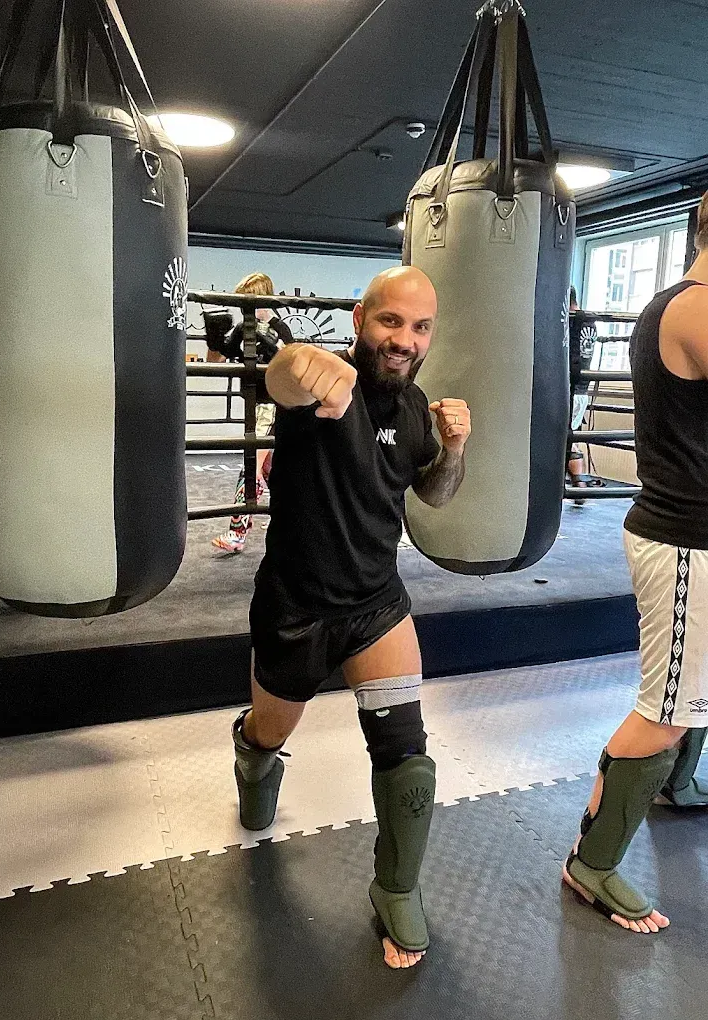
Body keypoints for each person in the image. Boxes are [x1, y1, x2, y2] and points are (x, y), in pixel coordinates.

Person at [230, 266, 471, 969]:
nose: (405, 340)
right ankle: (252, 759)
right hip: (296, 609)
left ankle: (396, 889)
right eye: (391, 321)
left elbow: (434, 493)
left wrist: (454, 449)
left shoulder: (414, 405)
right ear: (362, 319)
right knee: (268, 734)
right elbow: (281, 377)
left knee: (407, 759)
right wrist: (301, 362)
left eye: (420, 327)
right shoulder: (320, 387)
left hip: (376, 607)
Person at [563, 191, 708, 934]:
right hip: (686, 541)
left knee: (693, 694)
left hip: (695, 536)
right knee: (664, 711)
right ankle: (590, 863)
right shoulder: (693, 307)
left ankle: (676, 787)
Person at [209, 273, 293, 553]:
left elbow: (293, 367)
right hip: (252, 404)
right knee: (270, 471)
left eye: (248, 300)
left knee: (251, 466)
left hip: (272, 405)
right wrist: (214, 340)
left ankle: (237, 533)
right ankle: (294, 523)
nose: (244, 307)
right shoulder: (242, 328)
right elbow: (215, 362)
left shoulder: (280, 328)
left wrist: (274, 347)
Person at [566, 286, 598, 504]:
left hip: (568, 389)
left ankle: (579, 486)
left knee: (563, 440)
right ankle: (579, 486)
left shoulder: (568, 320)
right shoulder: (589, 321)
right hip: (581, 389)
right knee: (568, 437)